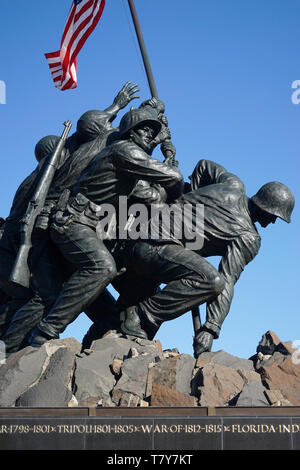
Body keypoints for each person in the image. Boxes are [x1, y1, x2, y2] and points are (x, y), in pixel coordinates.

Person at [25, 105, 184, 348]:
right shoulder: (124, 151)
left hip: (89, 226)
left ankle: (97, 341)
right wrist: (172, 175)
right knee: (103, 268)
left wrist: (168, 159)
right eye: (146, 131)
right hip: (74, 221)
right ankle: (44, 333)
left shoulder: (128, 161)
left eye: (153, 132)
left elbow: (152, 195)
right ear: (130, 132)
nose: (150, 136)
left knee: (113, 298)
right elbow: (174, 179)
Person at [1, 82, 141, 352]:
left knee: (103, 308)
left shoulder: (66, 166)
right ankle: (9, 352)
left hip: (53, 236)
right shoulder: (45, 175)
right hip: (32, 237)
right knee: (47, 296)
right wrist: (116, 107)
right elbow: (87, 125)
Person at [116, 159, 295, 356]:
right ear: (266, 208)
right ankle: (140, 314)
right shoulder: (248, 237)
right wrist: (211, 327)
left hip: (137, 240)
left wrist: (188, 202)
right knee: (210, 280)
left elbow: (203, 166)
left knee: (129, 327)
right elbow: (225, 280)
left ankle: (119, 330)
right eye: (274, 216)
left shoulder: (233, 184)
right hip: (153, 249)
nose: (272, 222)